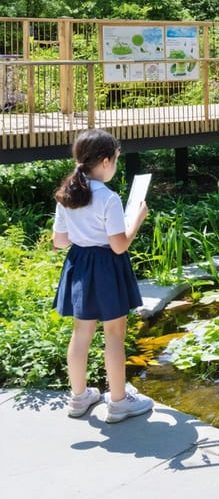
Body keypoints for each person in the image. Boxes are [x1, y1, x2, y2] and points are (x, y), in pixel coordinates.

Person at [53, 129, 154, 422]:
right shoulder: (108, 198)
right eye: (117, 160)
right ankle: (119, 402)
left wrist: (82, 232)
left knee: (80, 333)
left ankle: (78, 398)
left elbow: (59, 241)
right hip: (108, 266)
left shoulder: (67, 193)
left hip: (80, 264)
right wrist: (136, 220)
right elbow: (119, 245)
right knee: (113, 335)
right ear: (107, 161)